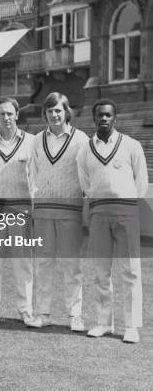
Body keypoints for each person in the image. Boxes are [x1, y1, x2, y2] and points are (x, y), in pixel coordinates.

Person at [77, 98, 147, 344]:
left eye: (108, 115)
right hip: (98, 213)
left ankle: (131, 326)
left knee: (130, 270)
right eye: (100, 115)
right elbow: (85, 183)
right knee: (100, 271)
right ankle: (104, 322)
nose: (104, 119)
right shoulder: (85, 149)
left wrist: (124, 203)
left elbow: (140, 183)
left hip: (126, 212)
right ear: (94, 118)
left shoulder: (131, 145)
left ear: (115, 118)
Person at [28, 92, 88, 331]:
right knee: (43, 263)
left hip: (71, 210)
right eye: (50, 110)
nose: (54, 114)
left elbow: (86, 175)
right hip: (43, 210)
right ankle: (43, 313)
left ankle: (75, 315)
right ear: (45, 113)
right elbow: (32, 173)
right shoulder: (36, 140)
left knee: (72, 265)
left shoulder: (81, 139)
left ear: (66, 112)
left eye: (58, 110)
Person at [0, 97, 35, 325]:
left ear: (17, 115)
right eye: (2, 114)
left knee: (23, 261)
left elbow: (34, 178)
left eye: (10, 114)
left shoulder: (31, 141)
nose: (6, 118)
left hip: (20, 207)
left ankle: (25, 309)